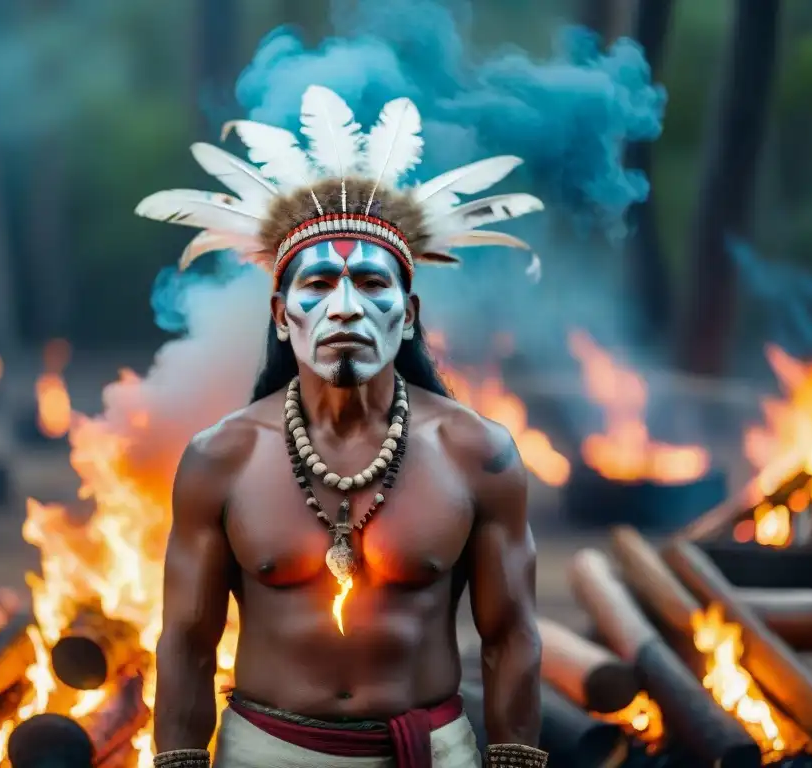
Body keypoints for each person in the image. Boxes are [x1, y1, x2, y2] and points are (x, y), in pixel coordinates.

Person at [140, 86, 548, 768]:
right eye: (320, 284)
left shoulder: (479, 454)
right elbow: (186, 640)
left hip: (428, 752)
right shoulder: (223, 458)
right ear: (280, 314)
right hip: (266, 753)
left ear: (409, 313)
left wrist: (513, 761)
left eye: (372, 283)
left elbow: (512, 635)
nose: (348, 307)